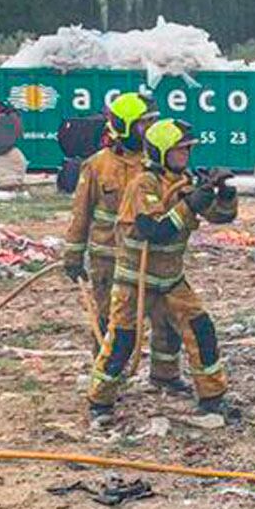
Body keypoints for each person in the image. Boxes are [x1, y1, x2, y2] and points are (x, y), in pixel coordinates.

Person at [86, 118, 238, 426]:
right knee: (122, 341)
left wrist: (222, 193)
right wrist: (190, 204)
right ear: (161, 151)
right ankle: (100, 401)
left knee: (201, 331)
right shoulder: (144, 184)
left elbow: (222, 217)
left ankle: (212, 398)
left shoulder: (183, 182)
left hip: (170, 280)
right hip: (135, 282)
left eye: (188, 150)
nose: (186, 156)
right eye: (180, 150)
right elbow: (153, 229)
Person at [63, 93, 161, 357]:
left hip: (147, 255)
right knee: (109, 320)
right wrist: (73, 256)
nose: (151, 129)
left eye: (153, 122)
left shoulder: (156, 164)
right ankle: (104, 377)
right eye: (145, 123)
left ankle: (165, 375)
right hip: (108, 259)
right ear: (126, 127)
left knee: (163, 317)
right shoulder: (97, 166)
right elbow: (80, 214)